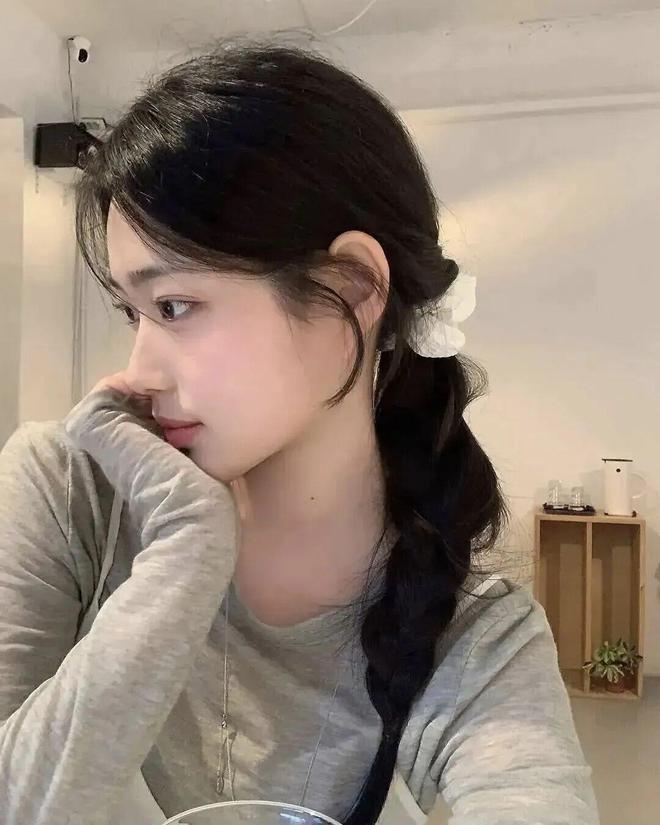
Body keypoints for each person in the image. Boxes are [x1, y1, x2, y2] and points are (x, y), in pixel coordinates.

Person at [0, 38, 599, 825]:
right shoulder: (70, 491)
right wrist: (184, 553)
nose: (139, 369)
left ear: (350, 289)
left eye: (175, 306)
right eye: (131, 312)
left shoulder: (478, 640)